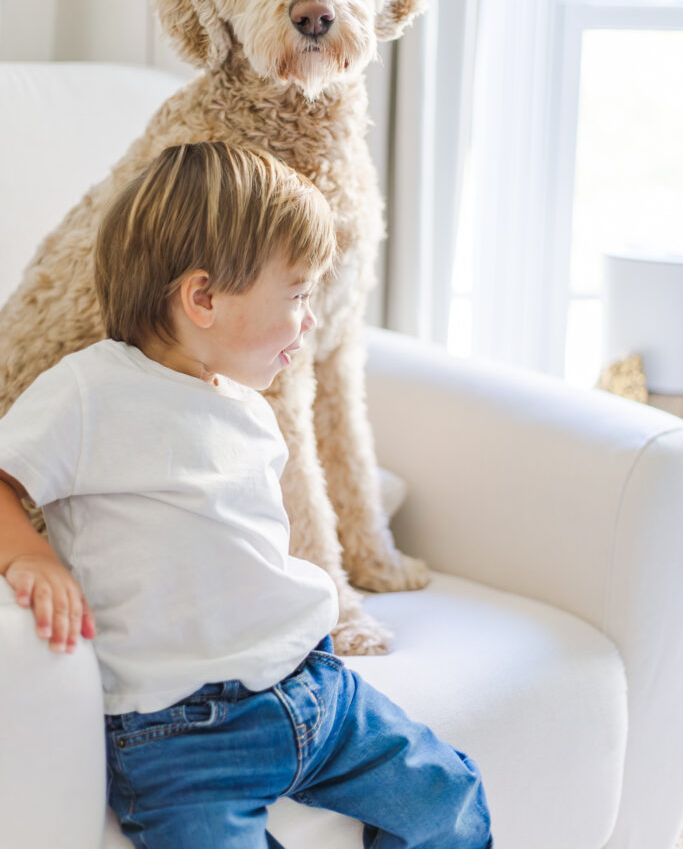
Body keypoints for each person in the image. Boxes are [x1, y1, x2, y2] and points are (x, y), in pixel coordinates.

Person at [0, 141, 493, 849]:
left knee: (448, 797)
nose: (311, 317)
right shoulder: (88, 390)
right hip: (182, 734)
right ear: (202, 297)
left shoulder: (247, 405)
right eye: (296, 295)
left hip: (314, 687)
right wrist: (30, 559)